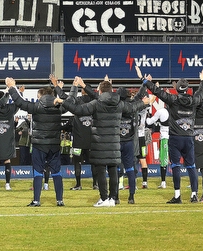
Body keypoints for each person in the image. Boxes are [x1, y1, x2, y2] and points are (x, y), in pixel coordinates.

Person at [59, 77, 149, 207]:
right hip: (114, 142)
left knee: (101, 170)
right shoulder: (118, 103)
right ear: (112, 90)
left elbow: (79, 110)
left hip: (99, 142)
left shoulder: (96, 103)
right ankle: (112, 199)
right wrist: (144, 102)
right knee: (113, 170)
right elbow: (132, 107)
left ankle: (104, 198)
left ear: (100, 91)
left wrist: (63, 102)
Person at [139, 66, 203, 204]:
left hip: (175, 138)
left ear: (177, 88)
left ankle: (177, 196)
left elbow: (158, 92)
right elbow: (201, 93)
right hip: (188, 137)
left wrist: (144, 81)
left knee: (176, 165)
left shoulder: (172, 99)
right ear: (187, 88)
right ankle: (194, 195)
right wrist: (202, 80)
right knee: (191, 166)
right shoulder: (193, 100)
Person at [7, 77, 65, 207]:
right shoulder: (60, 108)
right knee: (56, 172)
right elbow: (70, 102)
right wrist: (58, 88)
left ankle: (37, 200)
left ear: (41, 97)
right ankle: (60, 200)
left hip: (39, 145)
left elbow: (20, 102)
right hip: (54, 145)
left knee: (38, 172)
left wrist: (12, 87)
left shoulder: (36, 107)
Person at [0, 88, 20, 191]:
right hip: (8, 138)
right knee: (7, 160)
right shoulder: (11, 108)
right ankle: (7, 184)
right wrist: (20, 92)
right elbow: (18, 103)